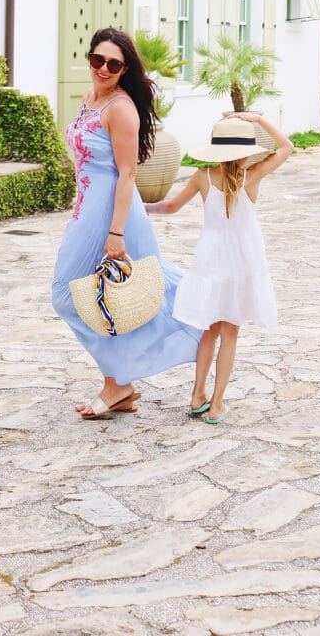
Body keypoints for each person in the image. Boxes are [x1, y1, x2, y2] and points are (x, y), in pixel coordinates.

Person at [52, 27, 201, 419]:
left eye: (113, 63)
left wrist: (115, 232)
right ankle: (118, 382)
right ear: (89, 59)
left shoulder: (121, 108)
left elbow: (128, 173)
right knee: (87, 294)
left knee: (80, 293)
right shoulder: (90, 98)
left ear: (124, 69)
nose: (103, 68)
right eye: (97, 60)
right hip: (88, 207)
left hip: (112, 211)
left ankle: (118, 383)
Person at [144, 112, 293, 425]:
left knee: (209, 329)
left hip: (210, 260)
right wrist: (258, 120)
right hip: (241, 261)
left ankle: (197, 394)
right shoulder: (251, 176)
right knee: (230, 333)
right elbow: (286, 147)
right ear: (245, 152)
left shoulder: (203, 176)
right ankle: (217, 404)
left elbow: (170, 207)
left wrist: (140, 208)